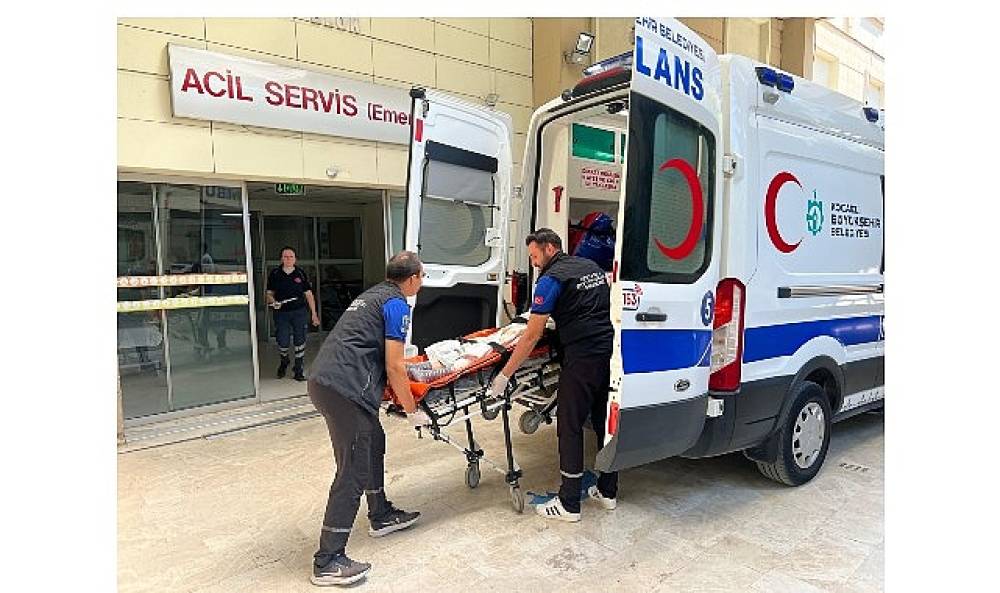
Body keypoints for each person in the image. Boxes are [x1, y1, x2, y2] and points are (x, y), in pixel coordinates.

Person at [305, 251, 428, 586]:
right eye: (422, 277)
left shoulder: (373, 295)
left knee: (373, 440)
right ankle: (327, 561)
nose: (422, 282)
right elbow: (395, 366)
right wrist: (412, 410)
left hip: (326, 381)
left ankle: (381, 514)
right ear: (413, 278)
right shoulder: (397, 304)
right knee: (352, 471)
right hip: (344, 389)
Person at [488, 228, 619, 522]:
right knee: (603, 422)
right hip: (607, 352)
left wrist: (505, 375)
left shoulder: (551, 279)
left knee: (569, 425)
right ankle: (608, 491)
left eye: (535, 256)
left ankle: (569, 504)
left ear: (549, 248)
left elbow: (532, 335)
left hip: (581, 357)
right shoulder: (591, 267)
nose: (534, 263)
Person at [266, 247, 320, 381]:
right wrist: (273, 302)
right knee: (282, 340)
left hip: (299, 312)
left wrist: (314, 314)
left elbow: (309, 295)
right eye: (285, 256)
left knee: (300, 339)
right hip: (281, 313)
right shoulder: (275, 274)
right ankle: (284, 360)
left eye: (291, 257)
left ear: (295, 259)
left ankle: (298, 368)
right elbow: (269, 294)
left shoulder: (300, 273)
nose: (288, 259)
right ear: (281, 259)